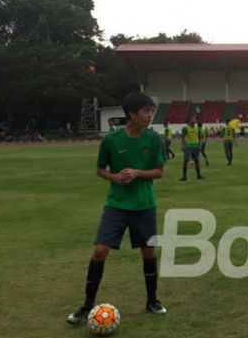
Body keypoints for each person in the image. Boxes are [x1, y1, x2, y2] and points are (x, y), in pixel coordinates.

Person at [66, 92, 166, 325]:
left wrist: (138, 173)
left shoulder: (153, 139)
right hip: (116, 205)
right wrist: (115, 177)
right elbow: (100, 170)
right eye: (146, 111)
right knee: (100, 251)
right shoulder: (111, 140)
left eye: (151, 111)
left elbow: (159, 172)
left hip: (144, 205)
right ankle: (87, 305)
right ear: (132, 114)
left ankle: (152, 301)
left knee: (148, 252)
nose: (150, 115)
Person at [180, 115, 204, 181]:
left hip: (196, 147)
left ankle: (199, 175)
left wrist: (200, 145)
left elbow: (200, 138)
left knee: (197, 161)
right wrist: (182, 146)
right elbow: (182, 137)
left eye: (195, 120)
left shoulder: (198, 129)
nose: (194, 121)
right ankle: (184, 177)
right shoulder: (186, 128)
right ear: (190, 121)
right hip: (188, 147)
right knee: (186, 161)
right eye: (192, 120)